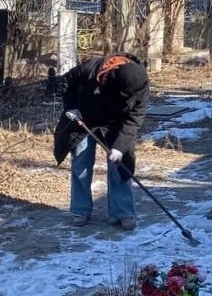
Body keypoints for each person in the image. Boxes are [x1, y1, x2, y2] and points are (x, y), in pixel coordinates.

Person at [53, 52, 150, 230]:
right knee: (81, 164)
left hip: (115, 124)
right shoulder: (91, 69)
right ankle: (80, 210)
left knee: (121, 166)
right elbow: (67, 81)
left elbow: (134, 120)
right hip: (84, 119)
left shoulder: (140, 83)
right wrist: (71, 107)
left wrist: (119, 148)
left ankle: (123, 212)